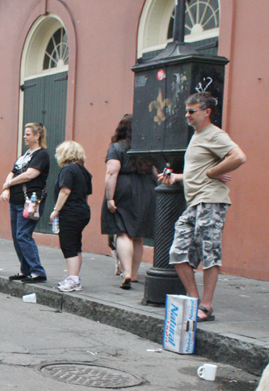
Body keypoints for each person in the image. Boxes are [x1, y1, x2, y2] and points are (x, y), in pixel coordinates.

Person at [158, 92, 246, 322]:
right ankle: (194, 301)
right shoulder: (197, 136)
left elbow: (239, 157)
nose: (187, 115)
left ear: (206, 112)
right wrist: (177, 177)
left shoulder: (215, 135)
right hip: (194, 202)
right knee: (177, 252)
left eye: (191, 111)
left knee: (210, 253)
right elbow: (197, 170)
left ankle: (205, 307)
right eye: (186, 111)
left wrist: (212, 172)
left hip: (211, 201)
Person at [100, 114, 157, 289]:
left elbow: (111, 173)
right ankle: (133, 274)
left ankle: (125, 273)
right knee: (138, 235)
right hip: (147, 188)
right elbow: (156, 171)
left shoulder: (117, 148)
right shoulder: (147, 146)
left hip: (124, 188)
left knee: (123, 231)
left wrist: (110, 198)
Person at [0, 123, 50, 283]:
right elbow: (12, 172)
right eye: (25, 134)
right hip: (15, 201)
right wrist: (7, 188)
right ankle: (25, 269)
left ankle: (37, 272)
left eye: (28, 134)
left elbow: (30, 175)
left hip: (30, 201)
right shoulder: (25, 155)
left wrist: (9, 184)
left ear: (37, 136)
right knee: (17, 236)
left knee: (23, 234)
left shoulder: (41, 155)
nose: (25, 137)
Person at [49, 141, 92, 292]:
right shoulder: (83, 171)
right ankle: (75, 277)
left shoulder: (67, 170)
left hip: (70, 212)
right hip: (82, 211)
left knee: (68, 245)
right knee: (76, 245)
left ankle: (73, 279)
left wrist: (56, 210)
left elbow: (65, 191)